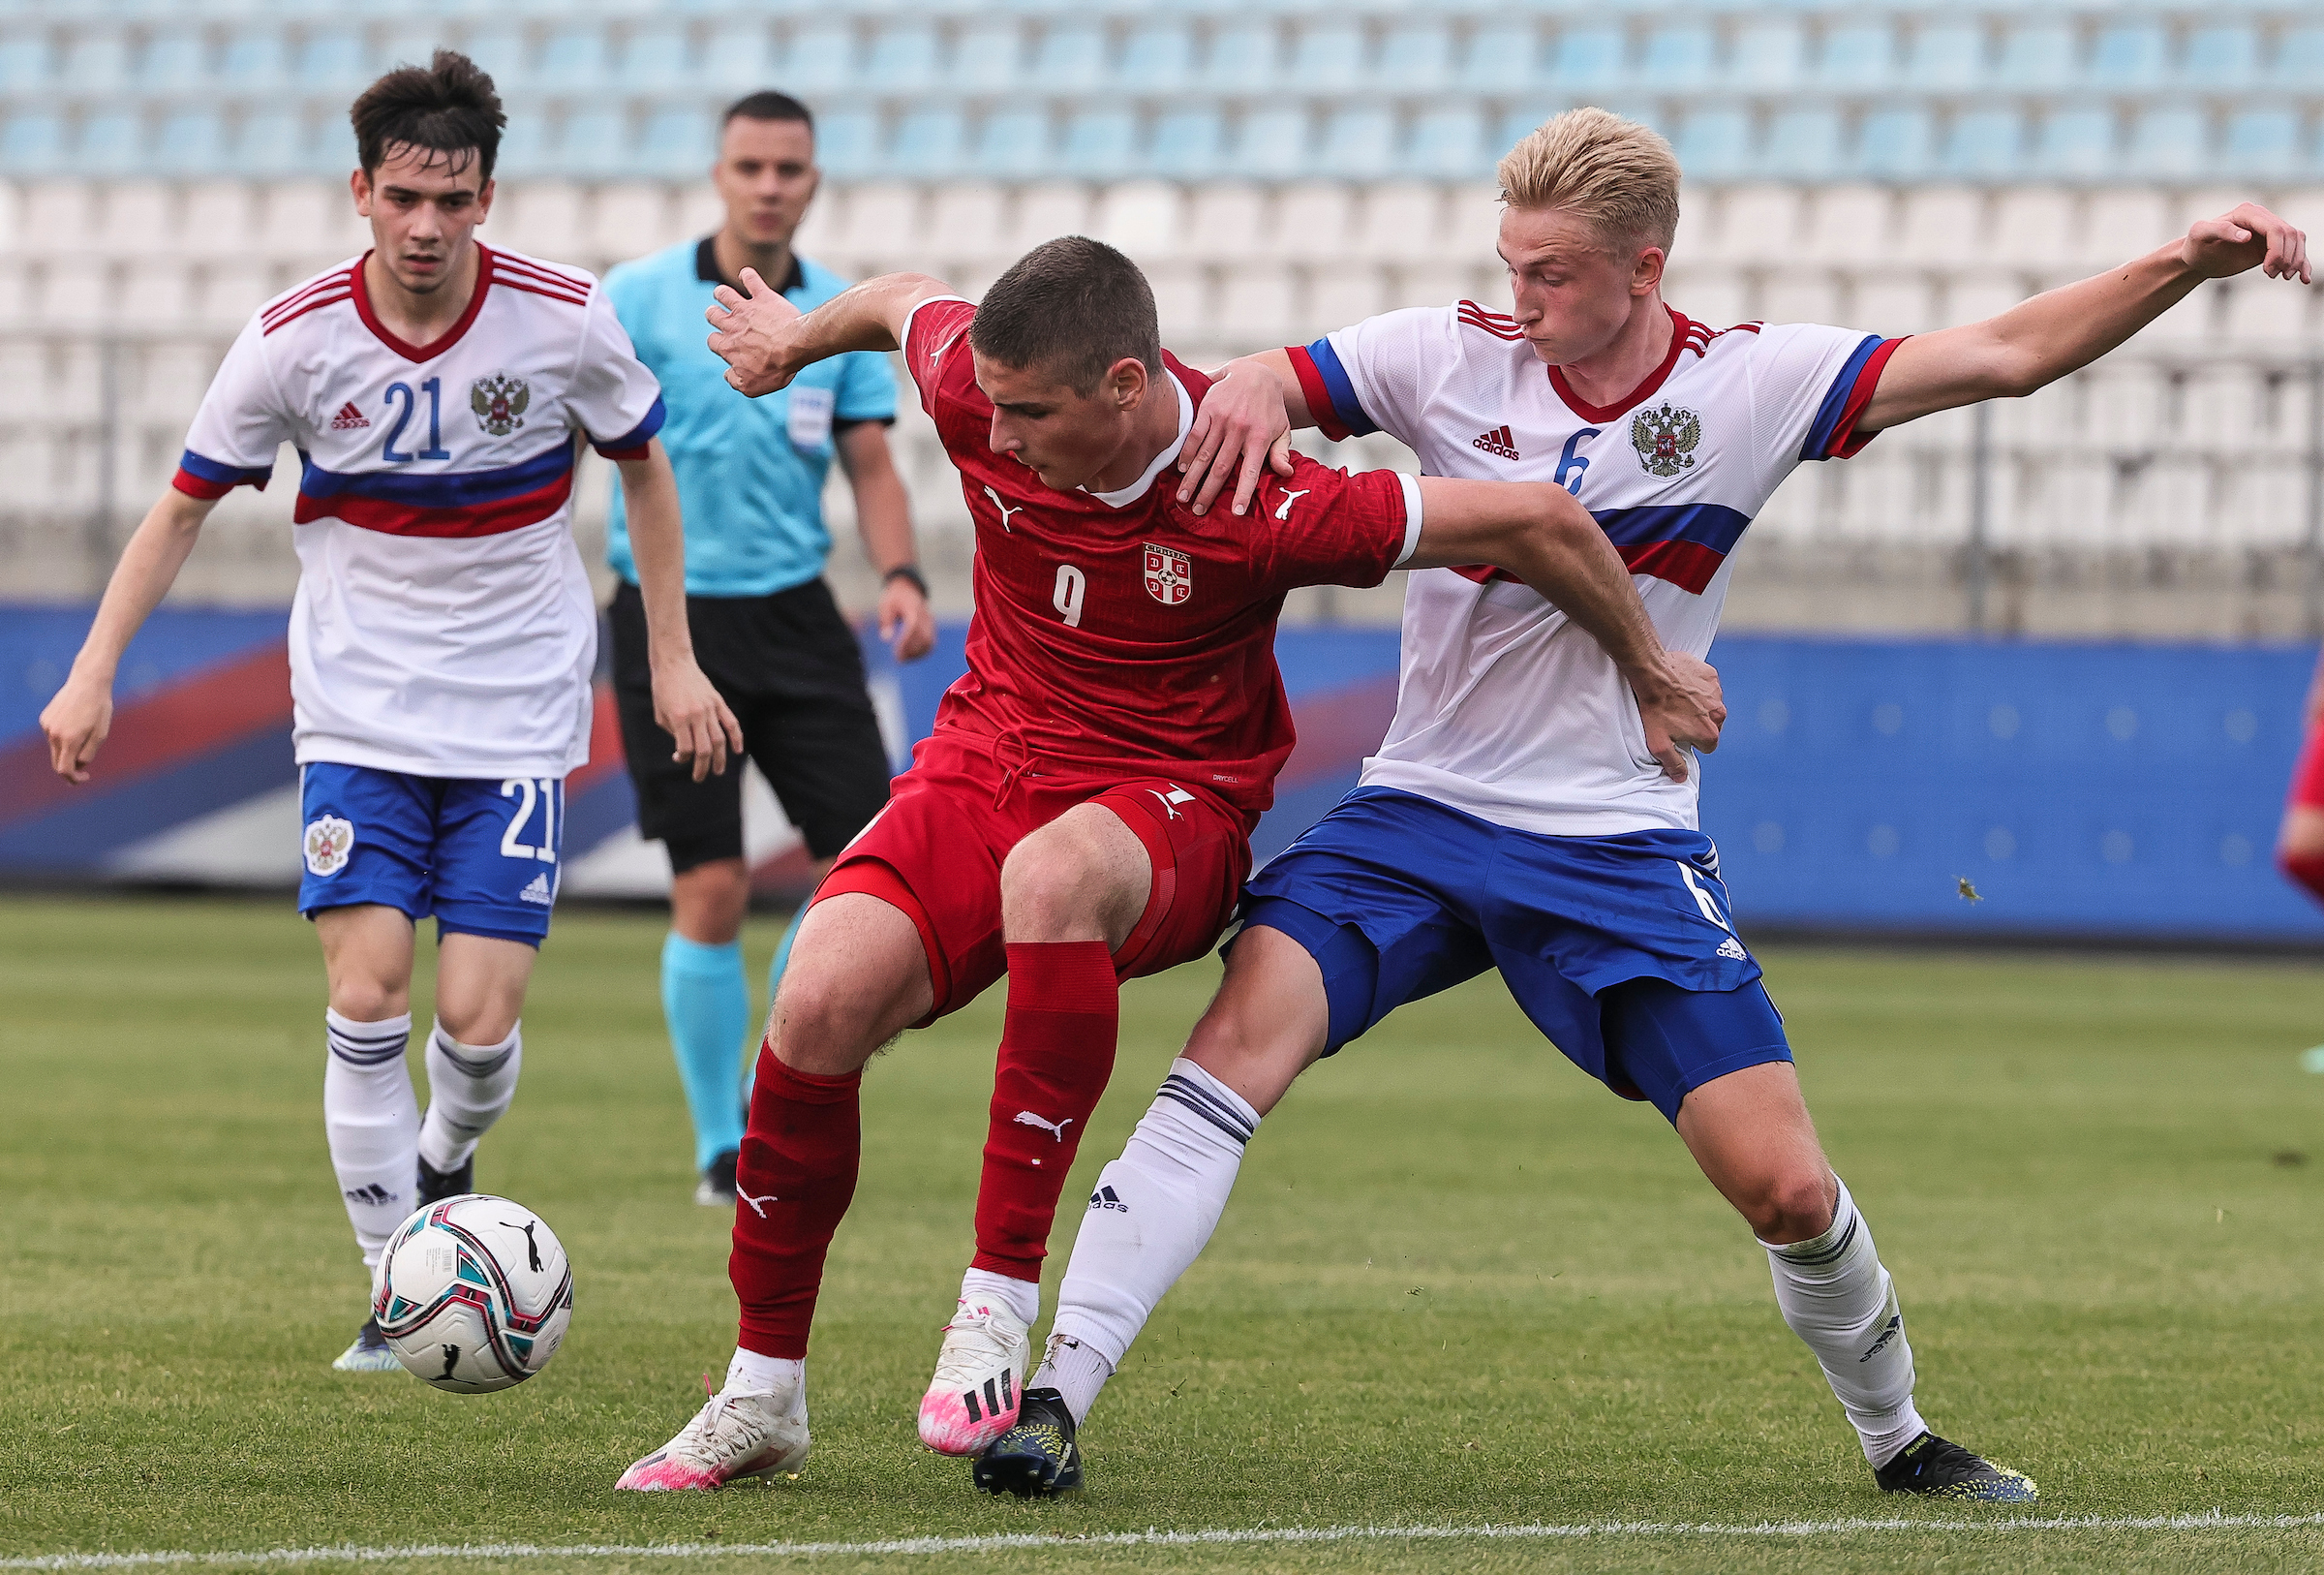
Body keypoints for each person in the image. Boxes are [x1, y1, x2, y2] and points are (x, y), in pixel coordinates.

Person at [981, 108, 2316, 1500]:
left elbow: (2005, 355)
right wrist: (1257, 378)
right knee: (1229, 1058)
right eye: (1509, 264)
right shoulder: (1445, 353)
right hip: (1420, 813)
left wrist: (2183, 261)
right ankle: (1053, 1398)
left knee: (1786, 1190)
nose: (1520, 300)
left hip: (1616, 837)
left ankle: (1899, 1437)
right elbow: (1273, 378)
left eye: (1550, 273)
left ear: (1645, 266)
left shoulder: (1750, 386)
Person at [611, 234, 1728, 1490]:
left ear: (1128, 388)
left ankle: (994, 1303)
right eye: (996, 403)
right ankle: (762, 1392)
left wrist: (1646, 662)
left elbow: (1536, 516)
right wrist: (792, 341)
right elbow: (901, 301)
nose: (1002, 433)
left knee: (1052, 877)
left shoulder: (1264, 496)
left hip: (1174, 804)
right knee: (815, 989)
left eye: (1035, 412)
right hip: (990, 753)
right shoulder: (979, 383)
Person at [37, 52, 737, 1374]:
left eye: (453, 200)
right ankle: (391, 1285)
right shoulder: (293, 338)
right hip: (355, 712)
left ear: (486, 199)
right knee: (368, 996)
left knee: (474, 1027)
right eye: (404, 196)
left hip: (518, 712)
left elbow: (647, 472)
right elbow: (181, 505)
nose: (426, 226)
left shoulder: (565, 320)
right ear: (362, 191)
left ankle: (445, 1157)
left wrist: (673, 659)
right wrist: (92, 669)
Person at [603, 89, 935, 1209]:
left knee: (868, 868)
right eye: (750, 165)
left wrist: (899, 574)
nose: (768, 185)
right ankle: (719, 1149)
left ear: (813, 180)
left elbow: (874, 464)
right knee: (709, 887)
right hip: (669, 616)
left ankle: (766, 1079)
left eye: (788, 168)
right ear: (719, 173)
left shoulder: (839, 319)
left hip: (798, 615)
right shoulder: (641, 299)